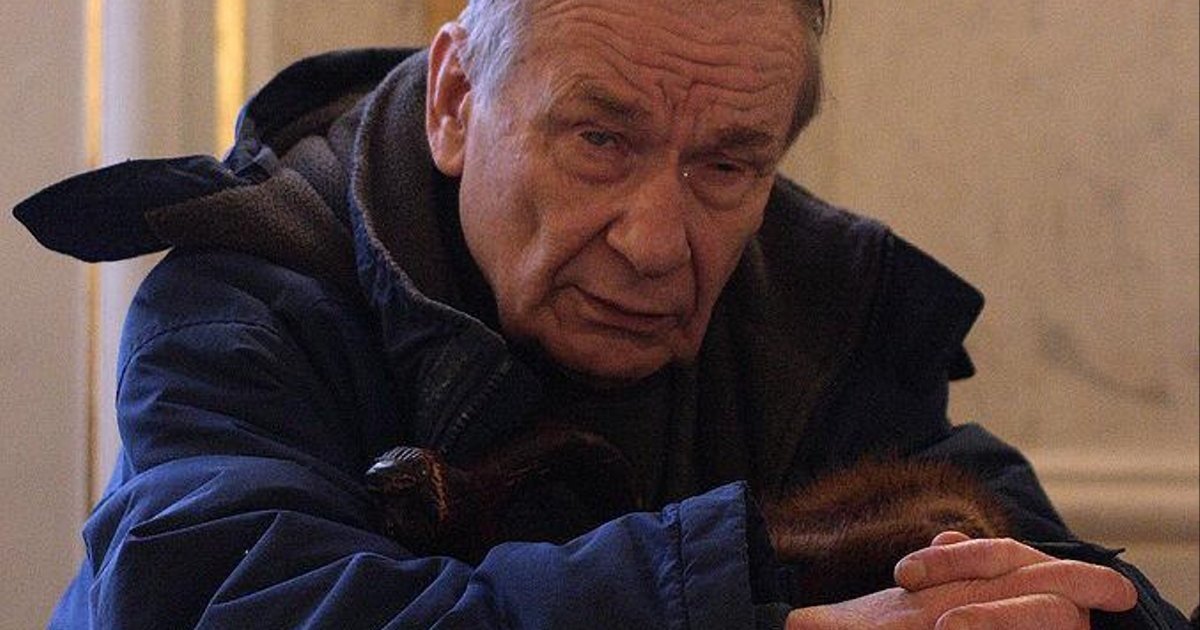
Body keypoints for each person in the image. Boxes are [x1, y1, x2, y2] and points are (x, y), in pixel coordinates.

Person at [14, 0, 1189, 628]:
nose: (656, 241)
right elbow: (218, 608)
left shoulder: (822, 306)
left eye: (728, 165)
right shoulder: (250, 287)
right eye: (599, 140)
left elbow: (1032, 553)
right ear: (457, 101)